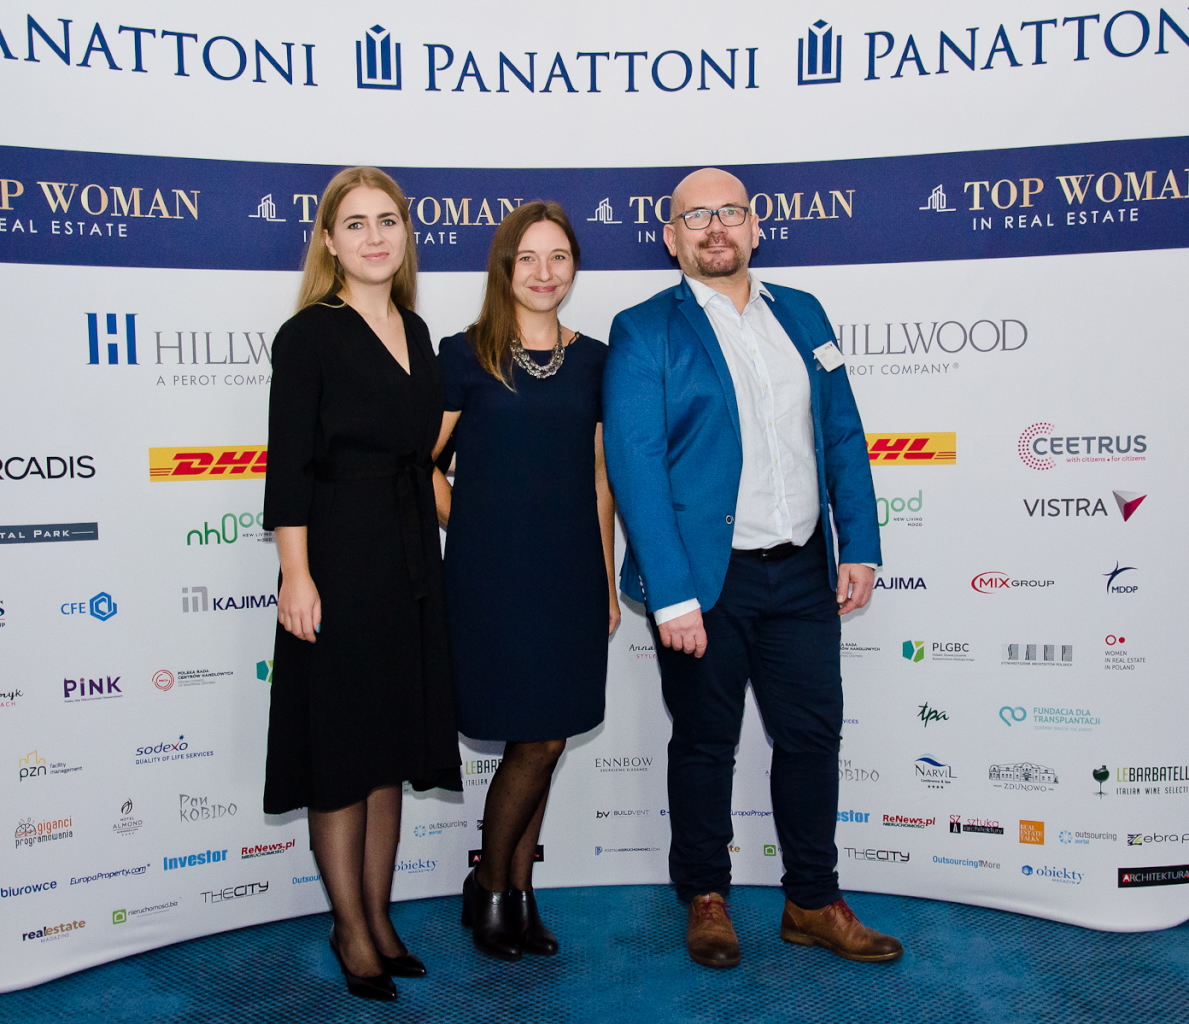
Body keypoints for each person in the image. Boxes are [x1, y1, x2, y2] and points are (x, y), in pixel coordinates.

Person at [602, 168, 902, 969]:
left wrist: (859, 542)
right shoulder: (644, 329)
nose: (714, 227)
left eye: (729, 212)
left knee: (811, 739)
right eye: (695, 215)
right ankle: (705, 896)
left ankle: (812, 901)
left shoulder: (802, 314)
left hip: (802, 570)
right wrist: (672, 595)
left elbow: (841, 434)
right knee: (705, 744)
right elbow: (635, 466)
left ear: (754, 225)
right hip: (705, 581)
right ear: (670, 237)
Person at [263, 166, 462, 1002]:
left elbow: (429, 458)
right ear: (329, 241)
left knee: (389, 750)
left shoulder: (416, 330)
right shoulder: (308, 334)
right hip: (338, 559)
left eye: (388, 220)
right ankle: (349, 928)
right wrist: (296, 576)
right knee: (343, 753)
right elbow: (289, 468)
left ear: (405, 235)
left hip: (410, 561)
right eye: (356, 223)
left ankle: (379, 918)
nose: (375, 236)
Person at [433, 201, 618, 962]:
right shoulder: (462, 353)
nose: (544, 273)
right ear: (504, 267)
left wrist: (605, 579)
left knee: (548, 735)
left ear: (574, 267)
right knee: (533, 737)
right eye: (528, 258)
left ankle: (513, 890)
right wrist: (473, 524)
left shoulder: (598, 360)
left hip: (570, 573)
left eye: (559, 257)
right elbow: (420, 464)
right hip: (493, 579)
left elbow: (601, 477)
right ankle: (491, 886)